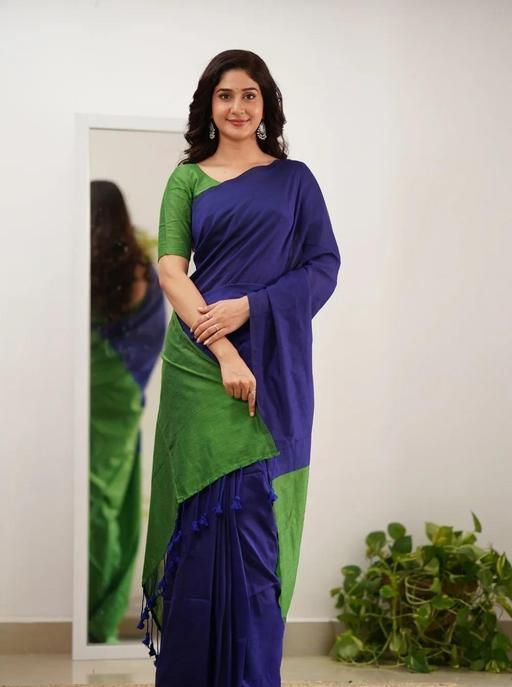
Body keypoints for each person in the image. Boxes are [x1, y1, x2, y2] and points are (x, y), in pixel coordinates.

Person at [138, 49, 341, 686]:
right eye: (225, 95)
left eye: (249, 95)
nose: (237, 107)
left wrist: (252, 307)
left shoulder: (295, 181)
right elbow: (172, 272)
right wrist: (223, 347)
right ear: (209, 105)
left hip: (273, 362)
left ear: (265, 105)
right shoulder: (187, 179)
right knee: (200, 530)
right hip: (200, 362)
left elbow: (323, 267)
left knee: (256, 522)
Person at [89, 180, 166, 643]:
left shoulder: (99, 268)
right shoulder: (138, 268)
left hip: (103, 394)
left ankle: (91, 613)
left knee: (97, 502)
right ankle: (99, 617)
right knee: (112, 503)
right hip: (122, 396)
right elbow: (152, 335)